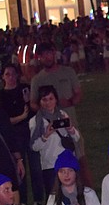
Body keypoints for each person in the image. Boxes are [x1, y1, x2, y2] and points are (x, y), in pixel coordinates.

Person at [29, 43, 91, 186]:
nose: (47, 57)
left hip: (70, 124)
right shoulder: (37, 79)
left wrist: (68, 102)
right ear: (39, 58)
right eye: (43, 55)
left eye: (49, 54)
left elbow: (78, 95)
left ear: (54, 53)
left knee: (81, 160)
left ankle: (88, 192)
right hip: (49, 128)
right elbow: (33, 103)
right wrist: (46, 107)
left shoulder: (68, 72)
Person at [0, 64, 41, 205]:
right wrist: (21, 117)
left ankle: (38, 200)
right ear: (3, 77)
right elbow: (4, 120)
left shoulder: (25, 89)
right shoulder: (1, 96)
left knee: (35, 168)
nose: (10, 77)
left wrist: (29, 102)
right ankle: (22, 200)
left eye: (12, 74)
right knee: (20, 169)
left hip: (30, 132)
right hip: (15, 137)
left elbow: (34, 110)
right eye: (7, 74)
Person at [30, 85, 82, 197]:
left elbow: (77, 138)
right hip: (50, 165)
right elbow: (34, 147)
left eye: (51, 99)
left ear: (56, 100)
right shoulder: (35, 121)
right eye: (44, 99)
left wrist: (70, 129)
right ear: (39, 101)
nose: (48, 103)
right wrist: (45, 136)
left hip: (68, 162)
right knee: (54, 197)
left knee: (73, 194)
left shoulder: (62, 115)